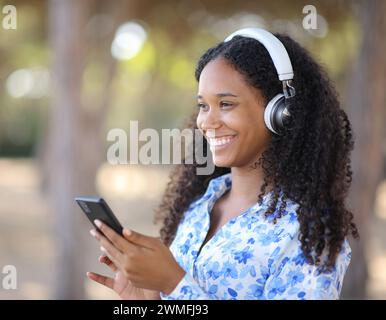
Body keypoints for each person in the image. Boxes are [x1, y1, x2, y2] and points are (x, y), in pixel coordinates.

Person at [86, 28, 359, 300]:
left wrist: (173, 283)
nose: (206, 121)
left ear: (281, 114)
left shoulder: (307, 235)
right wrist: (148, 299)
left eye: (226, 104)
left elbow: (179, 289)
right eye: (203, 105)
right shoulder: (198, 208)